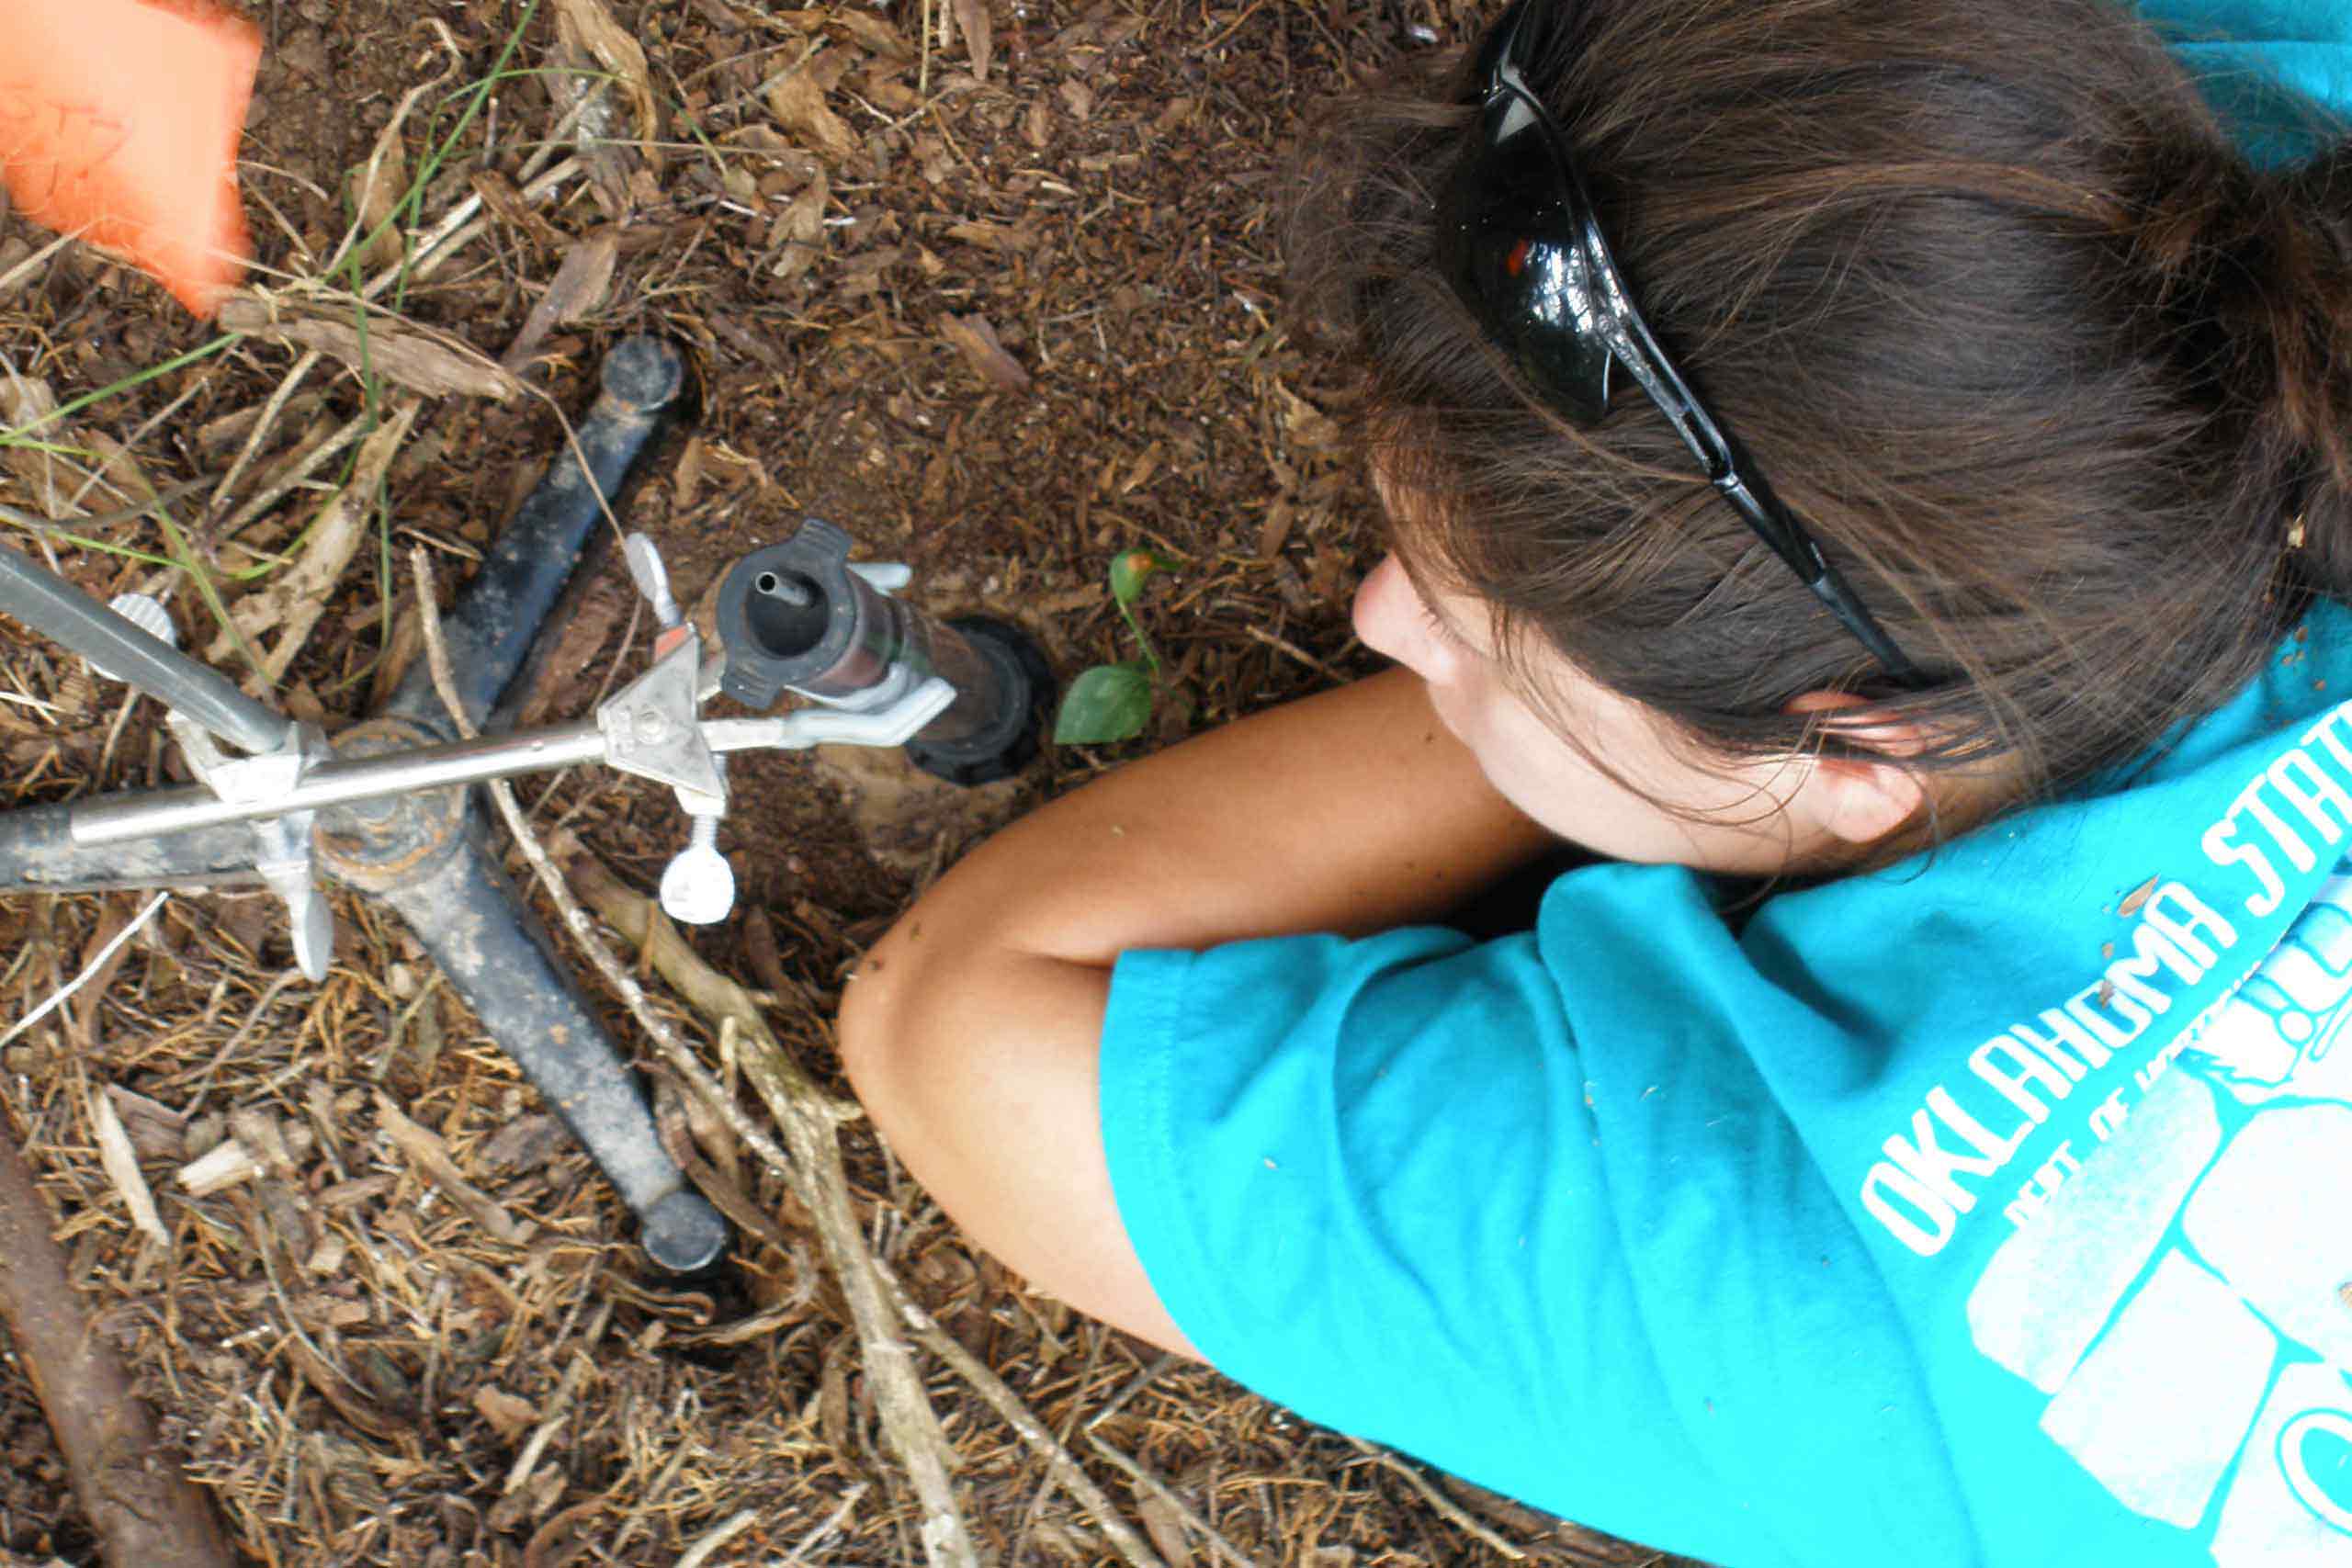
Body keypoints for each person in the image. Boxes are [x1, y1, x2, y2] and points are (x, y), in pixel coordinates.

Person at [836, 0, 2352, 1562]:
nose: (1373, 621)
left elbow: (960, 1023)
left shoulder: (1868, 1295)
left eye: (1476, 631)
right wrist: (1674, 680)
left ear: (1866, 749)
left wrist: (1682, 719)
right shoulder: (2250, 126)